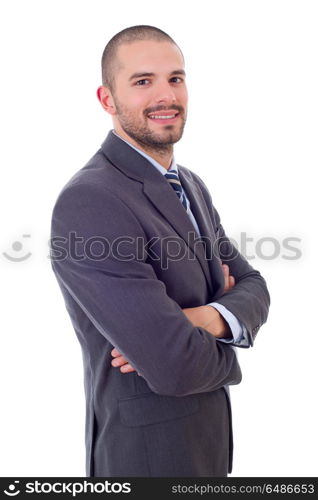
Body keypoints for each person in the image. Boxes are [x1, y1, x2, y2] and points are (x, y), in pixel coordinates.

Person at [50, 25, 270, 477]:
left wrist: (198, 319)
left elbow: (253, 286)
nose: (166, 95)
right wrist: (224, 332)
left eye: (176, 78)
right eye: (142, 81)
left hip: (207, 450)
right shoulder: (92, 200)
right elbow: (175, 367)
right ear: (107, 99)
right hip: (146, 461)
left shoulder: (189, 184)